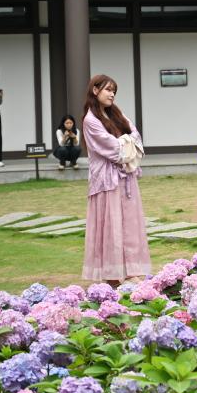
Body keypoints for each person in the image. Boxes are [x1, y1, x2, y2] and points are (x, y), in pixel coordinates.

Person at [81, 74, 151, 286]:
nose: (112, 94)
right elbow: (112, 148)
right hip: (106, 179)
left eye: (114, 91)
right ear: (95, 90)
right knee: (110, 225)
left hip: (126, 177)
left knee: (130, 223)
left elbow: (136, 136)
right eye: (108, 90)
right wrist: (126, 141)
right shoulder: (90, 121)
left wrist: (126, 141)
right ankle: (111, 274)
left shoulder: (117, 115)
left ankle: (131, 271)